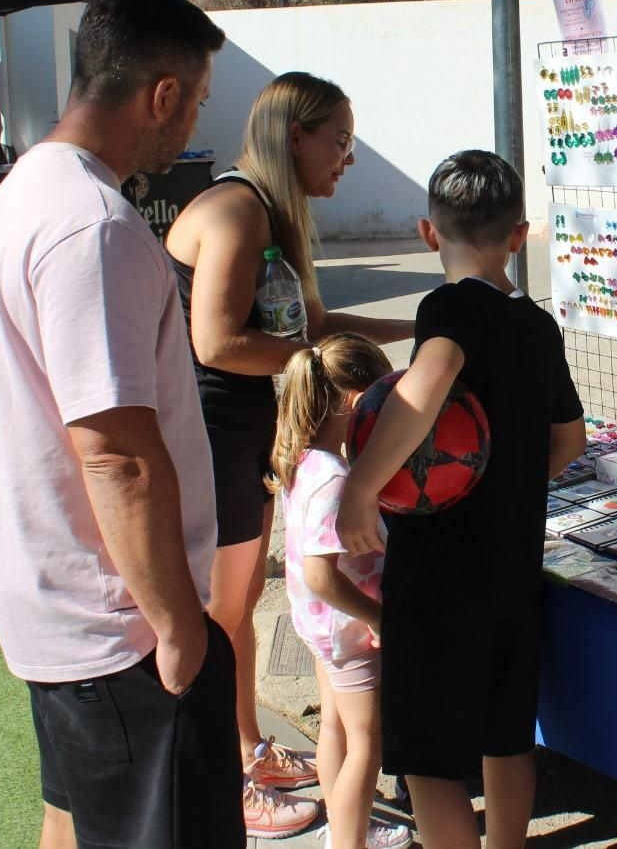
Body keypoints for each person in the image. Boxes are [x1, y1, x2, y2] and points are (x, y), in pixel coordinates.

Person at [0, 0, 245, 849]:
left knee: (73, 819)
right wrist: (178, 626)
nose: (192, 123)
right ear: (163, 94)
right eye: (195, 102)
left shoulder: (24, 196)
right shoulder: (93, 226)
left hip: (63, 601)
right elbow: (116, 454)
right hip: (117, 623)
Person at [163, 71, 412, 837]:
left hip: (247, 427)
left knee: (238, 609)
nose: (348, 158)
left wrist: (424, 327)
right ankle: (230, 778)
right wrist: (319, 366)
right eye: (339, 141)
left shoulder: (272, 213)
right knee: (221, 615)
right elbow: (217, 342)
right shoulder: (236, 210)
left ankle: (249, 751)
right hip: (211, 432)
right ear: (294, 135)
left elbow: (317, 327)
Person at [337, 150, 586, 849]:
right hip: (513, 568)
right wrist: (514, 484)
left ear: (427, 233)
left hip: (439, 576)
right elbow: (570, 439)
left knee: (430, 760)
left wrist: (360, 487)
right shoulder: (537, 324)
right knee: (507, 739)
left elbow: (434, 372)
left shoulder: (444, 308)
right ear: (519, 235)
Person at [271, 334, 413, 849]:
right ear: (356, 402)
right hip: (348, 632)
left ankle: (345, 827)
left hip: (320, 627)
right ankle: (350, 840)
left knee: (335, 726)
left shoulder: (306, 459)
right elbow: (321, 574)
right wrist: (376, 616)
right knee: (365, 746)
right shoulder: (335, 478)